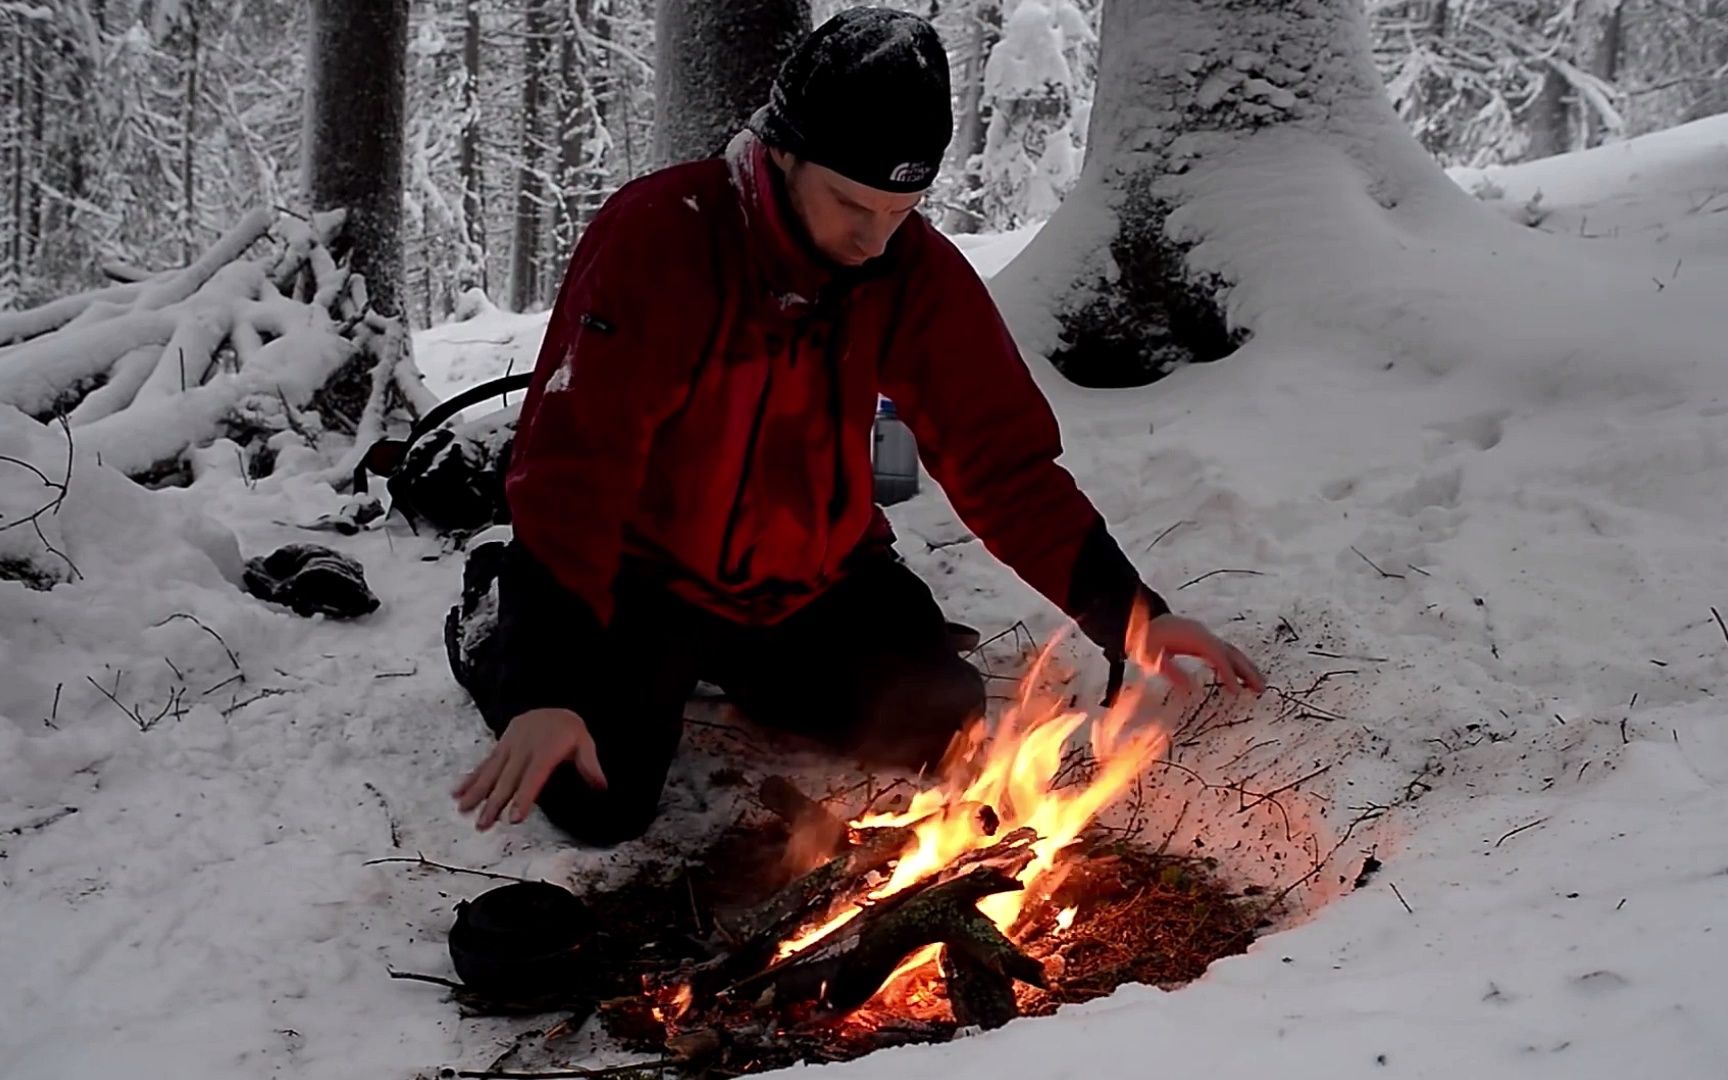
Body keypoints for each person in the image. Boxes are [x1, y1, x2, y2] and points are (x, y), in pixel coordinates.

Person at [448, 8, 1264, 846]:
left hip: (810, 584)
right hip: (645, 578)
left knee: (941, 726)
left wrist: (1133, 615)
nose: (875, 241)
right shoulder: (663, 237)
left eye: (901, 210)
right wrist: (544, 680)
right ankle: (496, 619)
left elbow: (1001, 459)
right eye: (851, 204)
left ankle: (731, 669)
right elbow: (577, 467)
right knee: (596, 799)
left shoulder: (911, 270)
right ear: (783, 150)